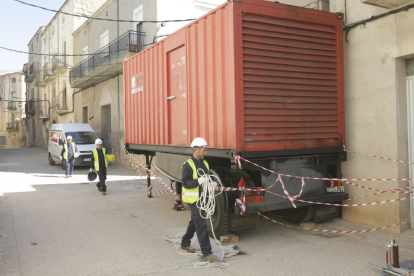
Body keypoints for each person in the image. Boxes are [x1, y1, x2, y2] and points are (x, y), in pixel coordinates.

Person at [180, 137, 218, 262]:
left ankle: (185, 242)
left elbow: (208, 178)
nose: (205, 153)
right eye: (204, 150)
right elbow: (185, 183)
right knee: (201, 224)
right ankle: (207, 253)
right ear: (197, 149)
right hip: (194, 200)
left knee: (194, 222)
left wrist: (211, 183)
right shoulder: (188, 165)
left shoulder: (205, 163)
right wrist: (199, 181)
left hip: (203, 198)